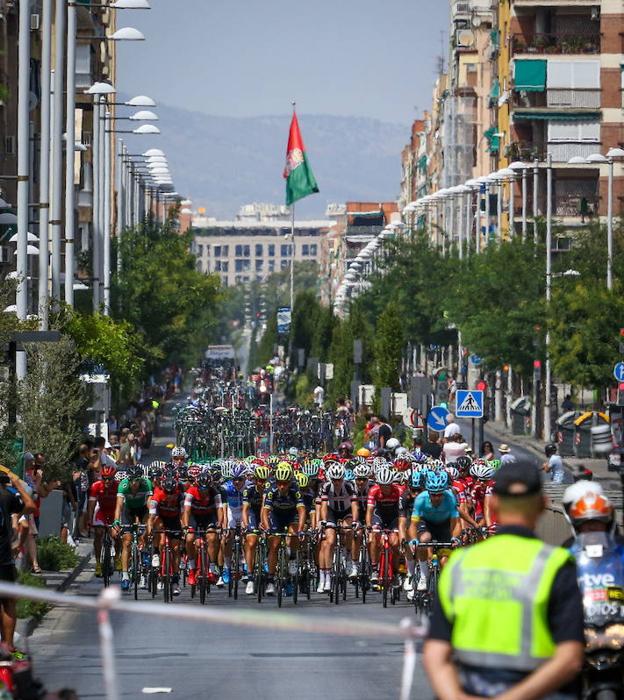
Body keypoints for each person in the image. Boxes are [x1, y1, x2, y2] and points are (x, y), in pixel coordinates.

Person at [424, 461, 585, 700]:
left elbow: (435, 653)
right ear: (543, 504)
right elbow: (570, 659)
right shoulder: (557, 564)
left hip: (470, 688)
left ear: (494, 503)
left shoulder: (459, 564)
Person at [0, 467, 35, 651]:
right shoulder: (6, 495)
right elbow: (30, 506)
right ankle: (8, 647)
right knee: (7, 602)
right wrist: (17, 484)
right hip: (3, 557)